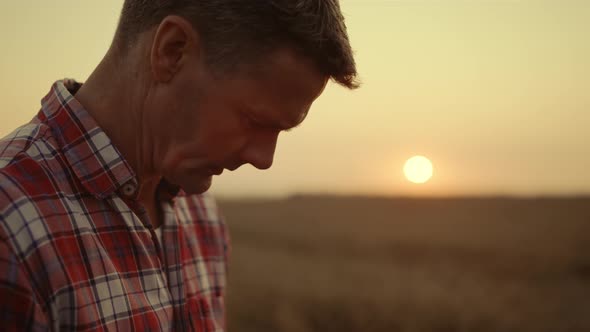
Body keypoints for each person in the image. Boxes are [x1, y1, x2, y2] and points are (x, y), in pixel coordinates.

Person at [0, 0, 358, 330]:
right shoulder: (10, 227)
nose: (264, 159)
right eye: (254, 120)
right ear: (172, 51)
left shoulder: (200, 213)